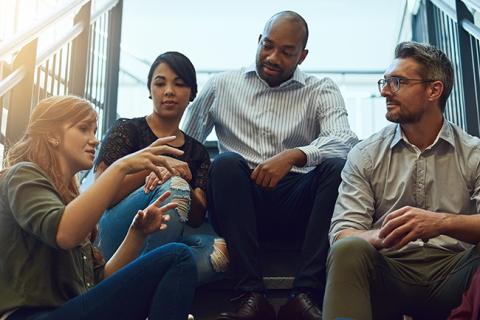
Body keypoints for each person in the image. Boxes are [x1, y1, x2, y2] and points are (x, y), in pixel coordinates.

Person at [183, 10, 357, 320]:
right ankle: (250, 296)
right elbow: (189, 144)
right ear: (259, 41)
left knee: (337, 167)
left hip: (298, 203)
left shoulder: (321, 88)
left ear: (302, 56)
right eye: (267, 45)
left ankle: (304, 295)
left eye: (286, 52)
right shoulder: (221, 85)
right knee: (223, 164)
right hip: (240, 203)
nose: (272, 57)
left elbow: (344, 139)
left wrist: (294, 156)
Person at [0, 96, 196, 320]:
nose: (94, 140)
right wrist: (122, 165)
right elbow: (64, 233)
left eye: (94, 131)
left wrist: (137, 234)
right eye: (83, 129)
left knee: (175, 266)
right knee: (177, 258)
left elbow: (100, 281)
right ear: (52, 136)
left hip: (70, 311)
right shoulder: (22, 175)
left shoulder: (71, 203)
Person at [324, 41, 480, 320]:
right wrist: (383, 235)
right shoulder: (366, 153)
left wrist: (440, 223)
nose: (385, 91)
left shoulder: (474, 153)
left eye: (397, 82)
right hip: (390, 272)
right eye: (385, 81)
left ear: (434, 90)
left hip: (456, 273)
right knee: (348, 249)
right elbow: (342, 232)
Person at [94, 51, 228, 285]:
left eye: (179, 84)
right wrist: (154, 168)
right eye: (160, 83)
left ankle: (132, 283)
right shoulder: (127, 129)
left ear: (192, 94)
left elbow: (196, 219)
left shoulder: (196, 151)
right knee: (172, 186)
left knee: (219, 252)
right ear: (150, 90)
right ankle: (147, 288)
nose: (168, 91)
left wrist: (184, 178)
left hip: (163, 235)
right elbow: (101, 196)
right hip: (116, 231)